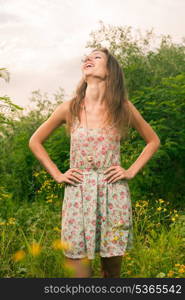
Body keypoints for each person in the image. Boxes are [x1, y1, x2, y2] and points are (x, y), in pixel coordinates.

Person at [29, 47, 160, 278]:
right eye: (86, 57)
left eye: (97, 57)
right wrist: (58, 175)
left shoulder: (122, 108)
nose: (88, 58)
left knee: (111, 272)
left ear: (110, 71)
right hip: (78, 193)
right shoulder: (69, 107)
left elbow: (153, 141)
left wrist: (130, 171)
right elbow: (35, 141)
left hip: (113, 193)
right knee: (78, 270)